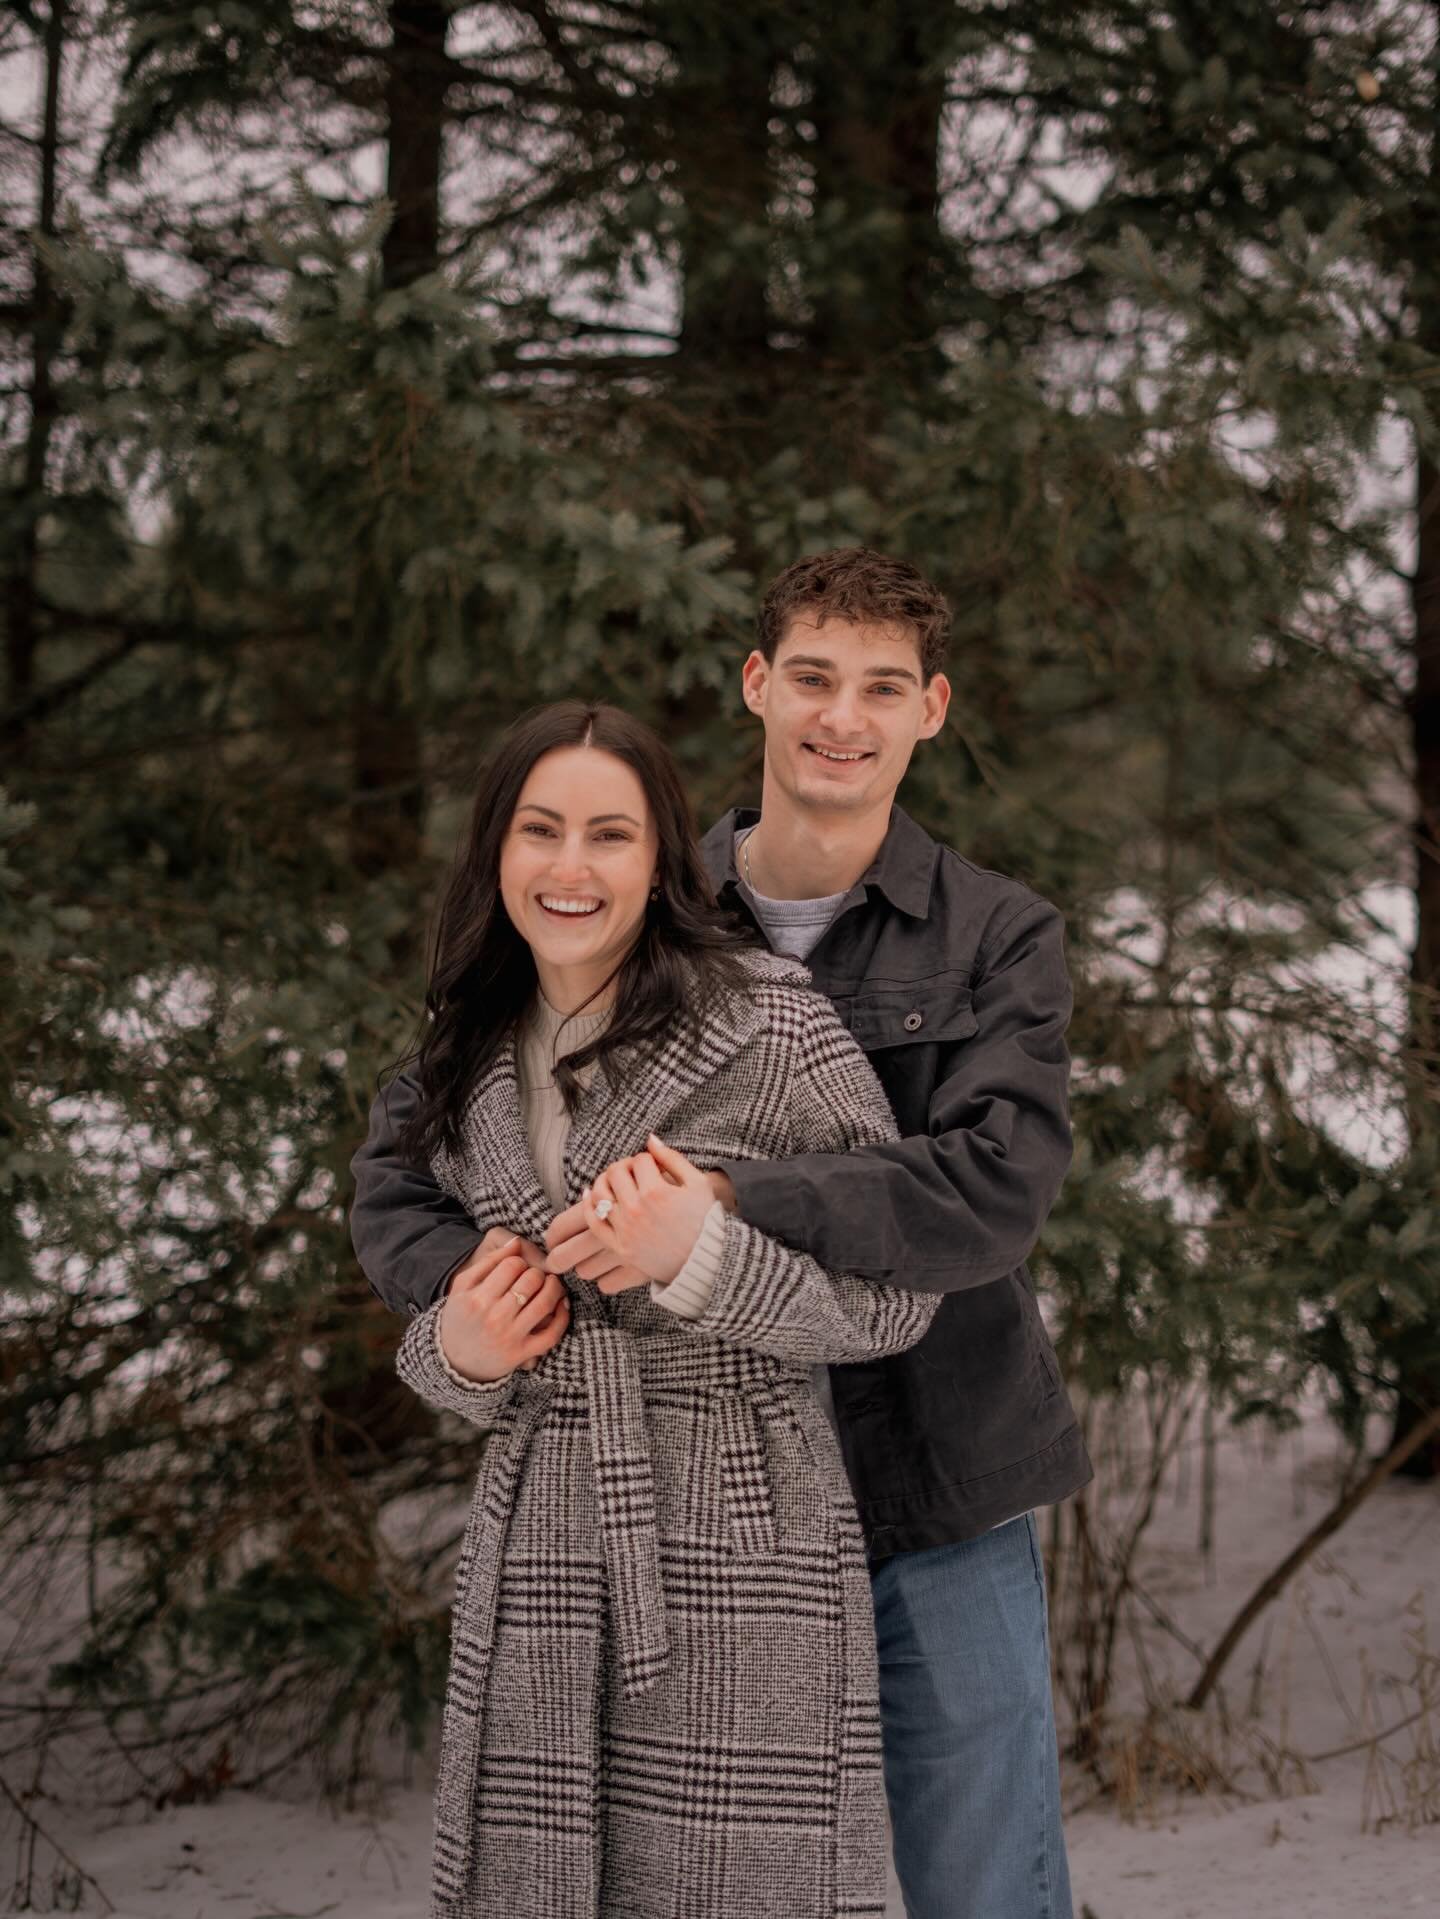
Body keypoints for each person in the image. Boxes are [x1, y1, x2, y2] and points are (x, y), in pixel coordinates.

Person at [353, 546, 1092, 1919]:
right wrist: (469, 1293)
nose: (841, 716)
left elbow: (993, 1188)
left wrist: (729, 1204)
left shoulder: (996, 933)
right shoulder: (633, 894)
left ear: (933, 709)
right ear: (758, 686)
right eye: (812, 676)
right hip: (706, 1495)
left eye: (882, 686)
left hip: (936, 1461)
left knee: (978, 1873)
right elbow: (419, 1140)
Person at [378, 697, 940, 1919]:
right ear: (497, 852)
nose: (570, 867)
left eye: (611, 834)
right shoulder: (462, 1045)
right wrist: (454, 1353)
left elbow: (899, 1301)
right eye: (540, 829)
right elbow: (450, 1309)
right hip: (542, 1521)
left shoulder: (771, 1019)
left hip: (746, 1519)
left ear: (662, 856)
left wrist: (708, 1258)